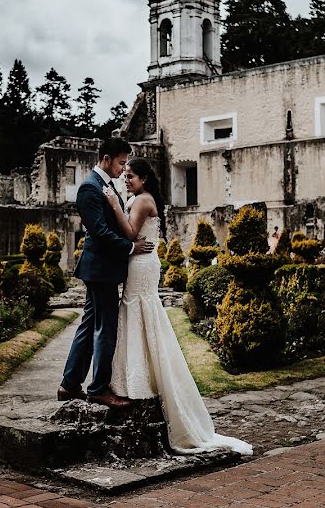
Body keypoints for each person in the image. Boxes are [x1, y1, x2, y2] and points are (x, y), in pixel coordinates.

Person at [102, 158, 252, 455]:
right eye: (126, 176)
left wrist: (114, 205)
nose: (127, 180)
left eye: (130, 176)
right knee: (135, 312)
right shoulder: (141, 197)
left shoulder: (143, 200)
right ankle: (135, 375)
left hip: (141, 264)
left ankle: (142, 380)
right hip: (139, 261)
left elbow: (131, 234)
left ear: (143, 178)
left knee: (140, 311)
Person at [58, 138, 155, 409]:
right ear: (106, 158)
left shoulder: (106, 185)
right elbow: (99, 232)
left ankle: (69, 384)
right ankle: (98, 389)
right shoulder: (90, 188)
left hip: (102, 268)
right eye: (121, 162)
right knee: (105, 328)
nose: (124, 169)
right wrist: (130, 247)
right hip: (100, 269)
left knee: (89, 325)